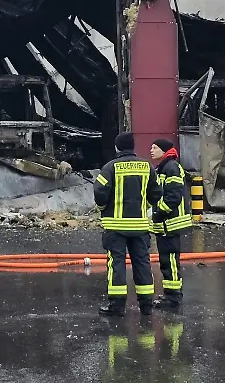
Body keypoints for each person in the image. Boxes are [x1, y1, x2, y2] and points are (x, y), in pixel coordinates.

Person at [94, 131, 162, 317]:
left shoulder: (110, 167)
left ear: (117, 147)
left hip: (116, 226)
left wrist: (103, 208)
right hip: (140, 226)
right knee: (142, 263)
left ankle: (116, 306)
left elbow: (100, 192)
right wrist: (145, 205)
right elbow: (157, 192)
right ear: (132, 146)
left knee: (116, 264)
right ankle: (146, 305)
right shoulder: (146, 166)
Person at [149, 139, 191, 310]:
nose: (151, 150)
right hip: (166, 223)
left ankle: (173, 298)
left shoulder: (171, 167)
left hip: (171, 223)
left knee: (171, 261)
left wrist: (159, 212)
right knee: (166, 261)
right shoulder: (164, 167)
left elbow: (173, 196)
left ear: (164, 150)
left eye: (155, 147)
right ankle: (170, 294)